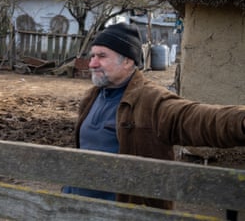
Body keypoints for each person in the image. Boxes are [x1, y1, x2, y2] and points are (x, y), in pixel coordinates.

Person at [62, 22, 245, 210]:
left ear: (128, 61)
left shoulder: (151, 101)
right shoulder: (91, 97)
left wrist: (240, 121)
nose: (92, 63)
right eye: (92, 56)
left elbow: (198, 118)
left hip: (123, 213)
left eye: (101, 56)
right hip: (78, 206)